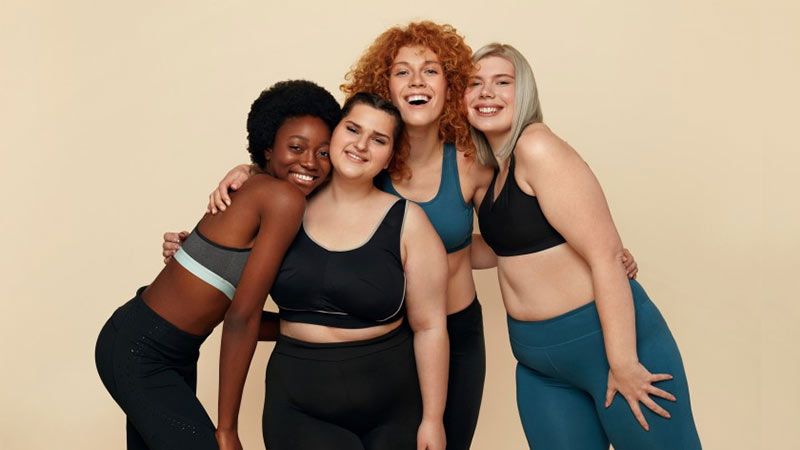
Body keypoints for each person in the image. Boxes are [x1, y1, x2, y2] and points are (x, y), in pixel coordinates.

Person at [177, 21, 639, 450]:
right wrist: (243, 180)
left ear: (450, 86)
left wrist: (594, 251)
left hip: (454, 330)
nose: (417, 81)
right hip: (391, 338)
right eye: (402, 72)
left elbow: (517, 229)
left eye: (431, 71)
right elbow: (297, 172)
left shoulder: (471, 160)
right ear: (385, 88)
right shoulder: (364, 162)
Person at [466, 43, 702, 449]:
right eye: (475, 83)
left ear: (524, 94)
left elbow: (606, 255)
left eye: (502, 82)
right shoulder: (497, 167)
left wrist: (624, 362)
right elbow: (505, 249)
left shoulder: (537, 147)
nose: (487, 92)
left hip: (608, 347)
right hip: (538, 363)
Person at [94, 80, 341, 450]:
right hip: (141, 351)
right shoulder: (283, 198)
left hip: (160, 346)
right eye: (296, 147)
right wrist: (227, 428)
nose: (309, 162)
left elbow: (239, 310)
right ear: (266, 149)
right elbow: (242, 317)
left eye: (323, 153)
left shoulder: (268, 191)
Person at [260, 92, 449, 450]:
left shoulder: (409, 222)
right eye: (352, 130)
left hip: (394, 411)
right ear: (334, 134)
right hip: (299, 406)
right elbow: (231, 267)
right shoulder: (284, 205)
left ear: (389, 156)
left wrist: (433, 420)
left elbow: (430, 326)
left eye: (378, 140)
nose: (361, 145)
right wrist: (192, 250)